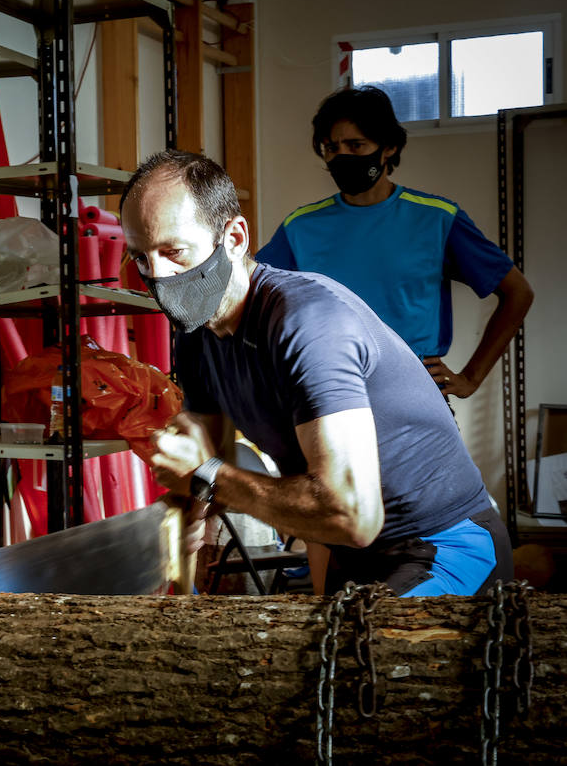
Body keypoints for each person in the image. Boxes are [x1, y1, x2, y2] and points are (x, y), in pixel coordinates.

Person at [121, 149, 513, 597]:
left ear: (233, 237)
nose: (158, 276)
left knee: (353, 661)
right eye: (141, 257)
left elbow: (352, 515)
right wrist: (179, 553)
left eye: (173, 251)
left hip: (443, 544)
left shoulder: (306, 323)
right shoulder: (198, 334)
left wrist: (206, 476)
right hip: (346, 550)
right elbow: (205, 464)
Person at [257, 86, 533, 400]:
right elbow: (252, 297)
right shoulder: (300, 227)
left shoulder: (437, 218)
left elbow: (518, 292)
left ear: (388, 147)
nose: (341, 156)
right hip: (329, 395)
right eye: (331, 148)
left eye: (355, 145)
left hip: (416, 396)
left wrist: (471, 377)